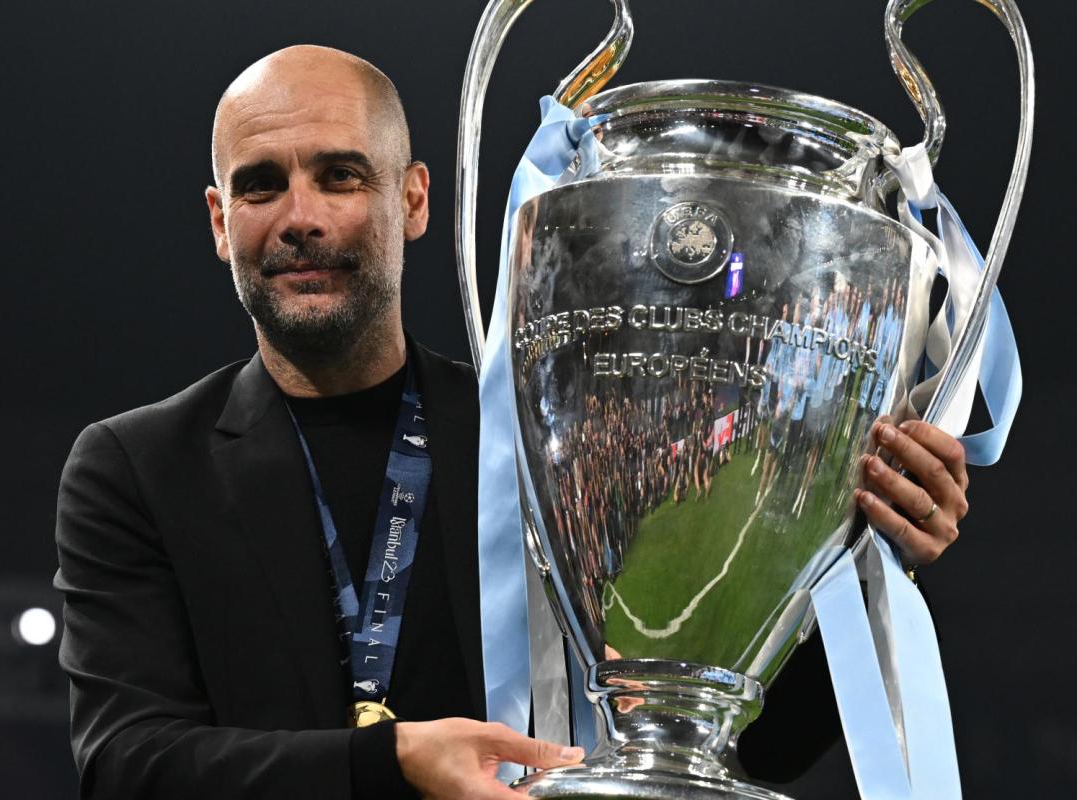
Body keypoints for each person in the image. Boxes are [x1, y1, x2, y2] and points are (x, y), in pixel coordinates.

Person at [54, 44, 971, 799]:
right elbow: (125, 764)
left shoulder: (553, 437)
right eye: (260, 187)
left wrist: (873, 557)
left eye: (339, 176)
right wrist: (389, 762)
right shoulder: (136, 467)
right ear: (220, 222)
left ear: (413, 199)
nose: (300, 217)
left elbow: (747, 745)